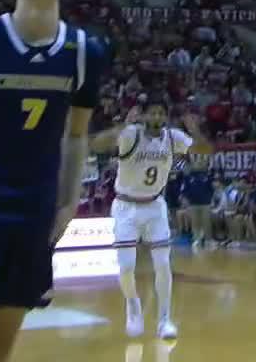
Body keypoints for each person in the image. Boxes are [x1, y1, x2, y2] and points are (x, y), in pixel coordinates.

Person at [0, 0, 105, 362]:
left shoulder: (85, 52)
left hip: (35, 204)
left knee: (0, 345)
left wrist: (68, 201)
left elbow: (76, 134)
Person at [90, 99, 212, 338]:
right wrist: (121, 126)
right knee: (126, 269)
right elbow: (96, 144)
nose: (157, 118)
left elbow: (204, 151)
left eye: (160, 113)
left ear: (165, 117)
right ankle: (133, 304)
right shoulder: (131, 134)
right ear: (144, 117)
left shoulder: (172, 137)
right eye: (152, 113)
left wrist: (194, 129)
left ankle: (165, 320)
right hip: (125, 206)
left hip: (154, 206)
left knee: (164, 265)